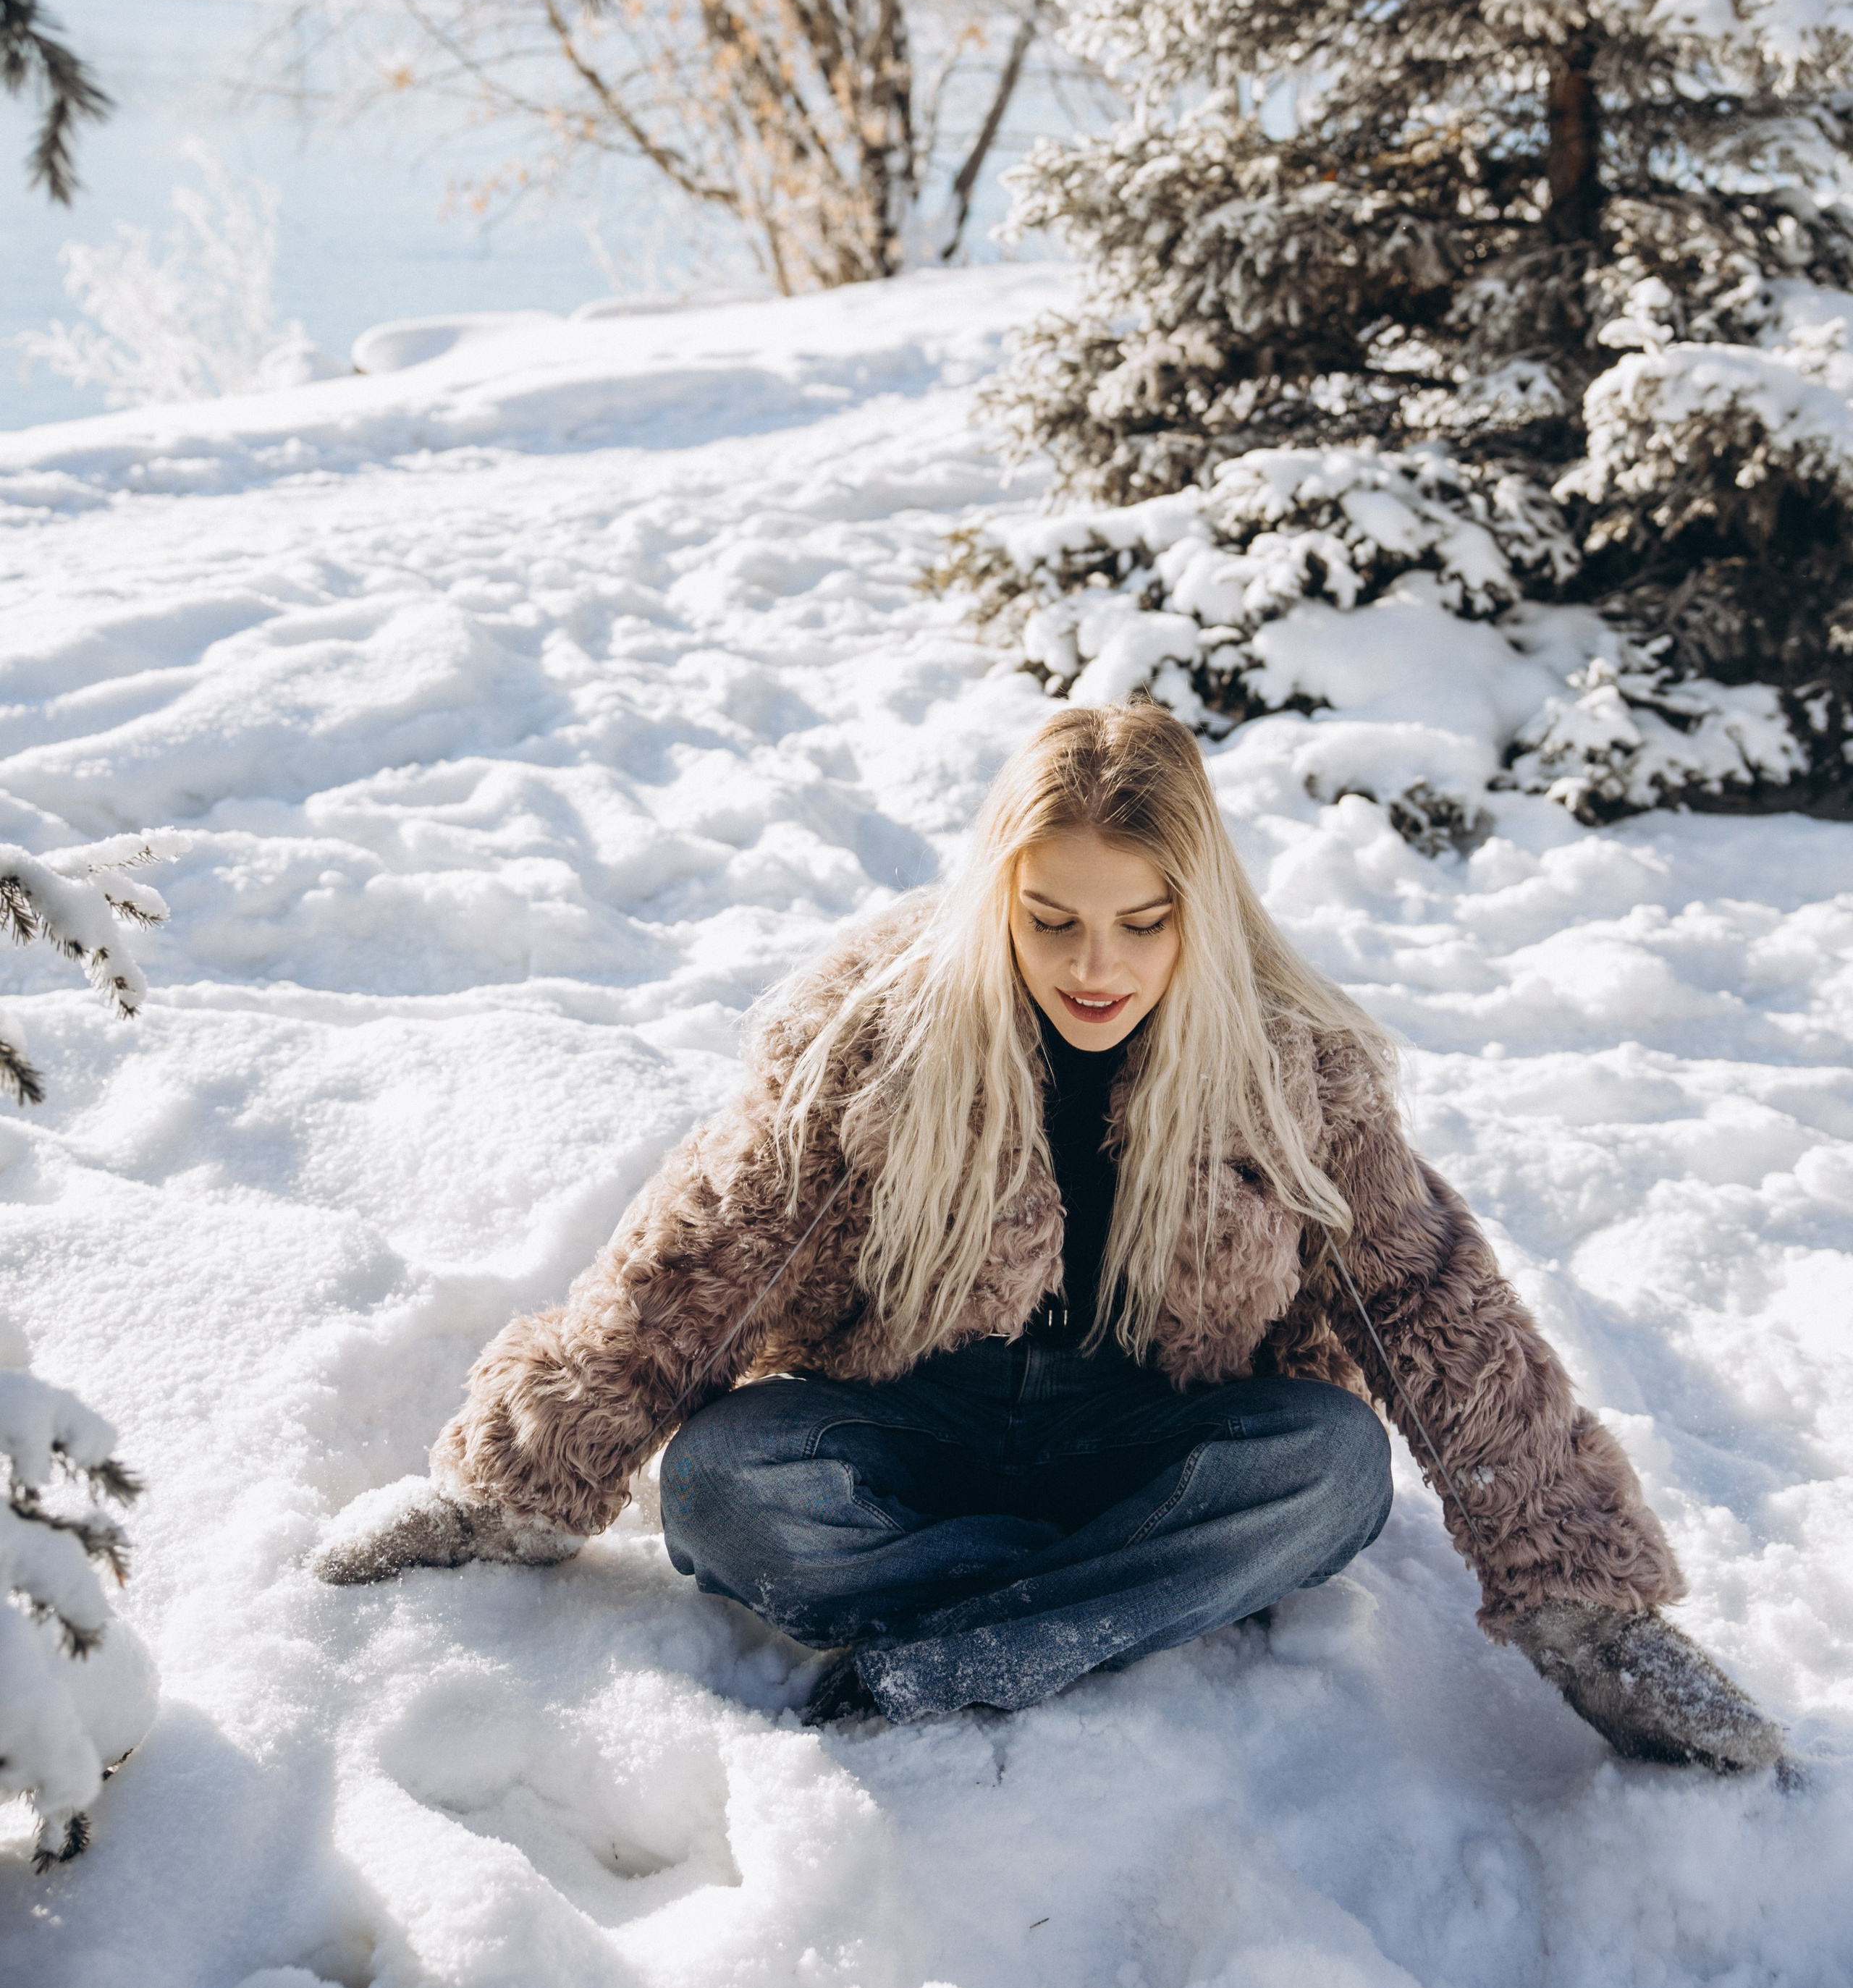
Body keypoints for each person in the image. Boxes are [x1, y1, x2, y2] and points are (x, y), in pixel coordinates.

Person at [316, 704, 1781, 1772]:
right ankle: (1119, 1600)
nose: (1098, 966)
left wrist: (1588, 1616)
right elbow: (701, 1254)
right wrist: (511, 1486)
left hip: (1152, 1431)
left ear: (1196, 910)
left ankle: (977, 1654)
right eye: (1051, 919)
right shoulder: (871, 1036)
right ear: (992, 897)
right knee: (721, 1487)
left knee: (1329, 1472)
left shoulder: (1291, 1067)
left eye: (1143, 924)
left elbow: (1437, 1312)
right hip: (914, 1419)